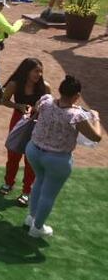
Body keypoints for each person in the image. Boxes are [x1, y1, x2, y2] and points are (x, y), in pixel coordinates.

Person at [24, 75, 103, 238]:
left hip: (33, 150)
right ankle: (37, 228)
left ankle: (31, 217)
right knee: (48, 194)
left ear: (60, 90)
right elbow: (96, 136)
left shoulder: (46, 101)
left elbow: (38, 108)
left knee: (38, 181)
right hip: (57, 160)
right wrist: (95, 118)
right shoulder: (76, 115)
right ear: (77, 95)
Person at [0, 58, 50, 207]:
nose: (39, 74)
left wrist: (38, 109)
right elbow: (4, 100)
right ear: (27, 71)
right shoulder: (14, 85)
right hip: (18, 122)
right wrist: (19, 106)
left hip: (37, 123)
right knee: (13, 154)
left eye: (41, 71)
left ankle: (27, 191)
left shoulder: (45, 87)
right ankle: (8, 183)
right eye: (36, 71)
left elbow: (49, 105)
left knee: (31, 158)